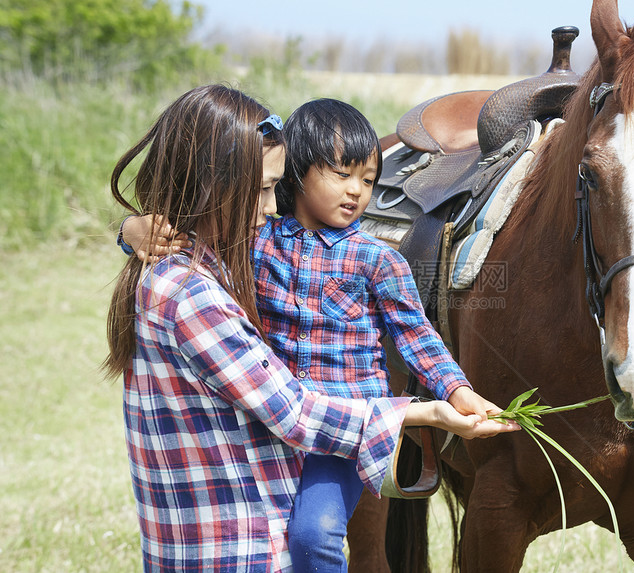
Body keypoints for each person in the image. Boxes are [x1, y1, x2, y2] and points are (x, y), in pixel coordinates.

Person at [104, 85, 517, 573]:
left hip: (345, 420)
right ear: (297, 177)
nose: (356, 191)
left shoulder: (377, 260)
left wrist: (455, 389)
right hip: (289, 421)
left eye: (368, 179)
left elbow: (416, 333)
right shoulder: (257, 241)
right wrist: (133, 232)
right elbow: (191, 233)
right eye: (341, 175)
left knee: (314, 534)